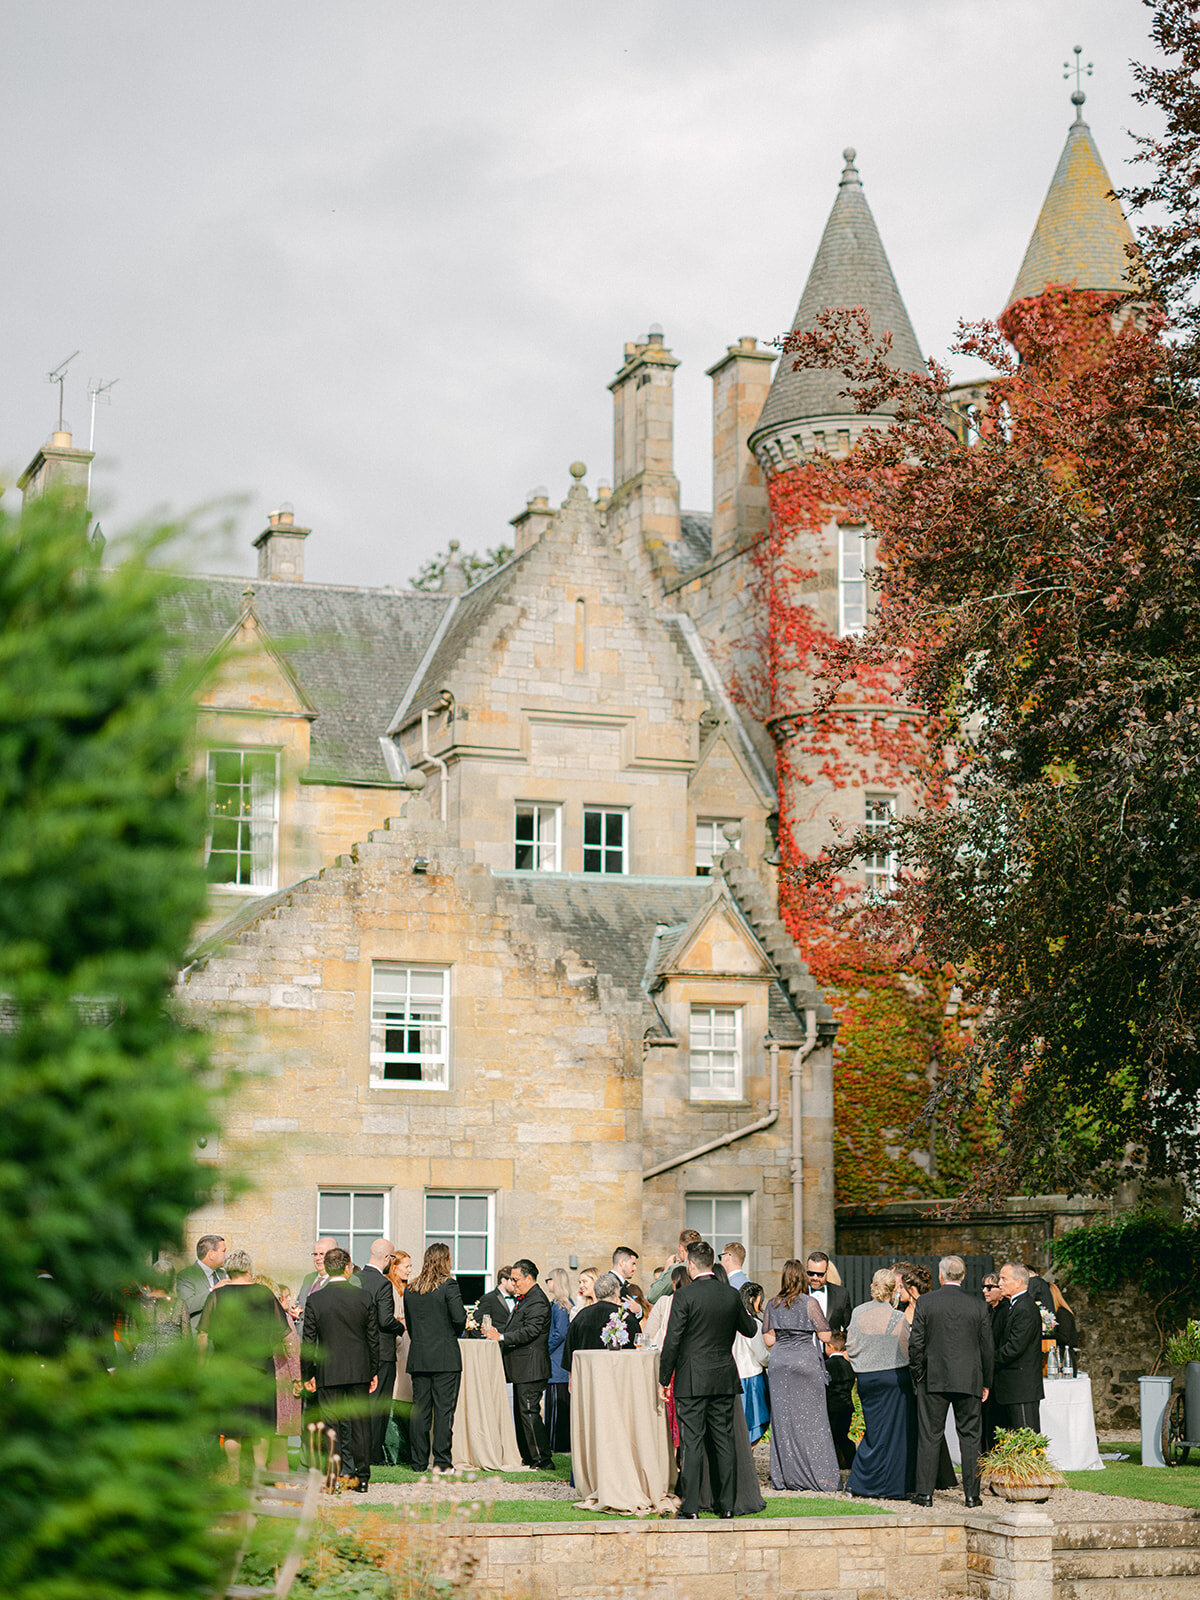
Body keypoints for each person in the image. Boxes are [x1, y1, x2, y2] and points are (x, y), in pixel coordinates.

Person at [658, 1240, 757, 1519]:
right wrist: (746, 1307)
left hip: (691, 1379)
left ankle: (689, 1508)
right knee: (724, 1442)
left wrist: (663, 1379)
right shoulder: (730, 1294)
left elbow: (672, 1340)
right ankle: (726, 1506)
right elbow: (749, 1330)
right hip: (723, 1376)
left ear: (690, 1265)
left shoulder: (685, 1296)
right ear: (712, 1263)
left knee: (692, 1442)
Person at [907, 1254, 993, 1509]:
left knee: (929, 1435)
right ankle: (971, 1495)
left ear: (942, 1275)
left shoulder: (926, 1302)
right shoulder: (978, 1305)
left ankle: (924, 1494)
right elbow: (987, 1348)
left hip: (933, 1379)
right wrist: (986, 1381)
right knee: (970, 1437)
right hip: (969, 1380)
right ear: (963, 1276)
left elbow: (916, 1344)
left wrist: (918, 1374)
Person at [198, 1248, 291, 1465]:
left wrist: (201, 1364)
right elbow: (283, 1332)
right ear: (248, 1269)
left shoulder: (217, 1295)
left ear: (228, 1270)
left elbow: (203, 1333)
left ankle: (234, 1472)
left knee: (232, 1429)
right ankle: (259, 1473)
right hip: (259, 1367)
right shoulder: (264, 1293)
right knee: (259, 1427)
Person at [301, 1246, 379, 1490]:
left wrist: (308, 1373)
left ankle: (334, 1476)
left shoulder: (315, 1299)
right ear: (347, 1268)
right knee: (360, 1425)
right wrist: (373, 1370)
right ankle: (362, 1478)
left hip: (328, 1370)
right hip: (358, 1370)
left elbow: (308, 1340)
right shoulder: (364, 1297)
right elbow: (372, 1338)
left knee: (332, 1426)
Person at [762, 1259, 840, 1494]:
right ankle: (820, 1476)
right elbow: (825, 1337)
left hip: (779, 1364)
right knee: (813, 1420)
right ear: (803, 1279)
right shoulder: (810, 1303)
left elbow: (769, 1340)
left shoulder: (772, 1304)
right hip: (804, 1362)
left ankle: (787, 1477)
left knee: (784, 1422)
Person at [845, 1267, 911, 1500]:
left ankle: (861, 1482)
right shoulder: (898, 1317)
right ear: (893, 1290)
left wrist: (863, 1362)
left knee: (873, 1432)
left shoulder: (858, 1312)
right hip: (892, 1379)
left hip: (866, 1379)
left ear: (873, 1286)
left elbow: (850, 1345)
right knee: (893, 1434)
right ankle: (889, 1486)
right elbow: (907, 1351)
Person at [403, 1242, 466, 1473]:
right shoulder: (449, 1285)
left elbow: (410, 1324)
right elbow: (459, 1319)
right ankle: (441, 1462)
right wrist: (452, 1331)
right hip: (445, 1356)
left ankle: (418, 1462)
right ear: (445, 1260)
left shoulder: (410, 1289)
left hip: (419, 1356)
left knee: (420, 1411)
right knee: (443, 1411)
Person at [484, 1257, 553, 1469]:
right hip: (521, 1368)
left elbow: (531, 1331)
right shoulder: (526, 1298)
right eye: (512, 1280)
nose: (513, 1284)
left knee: (530, 1412)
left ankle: (543, 1459)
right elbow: (517, 1327)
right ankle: (529, 1457)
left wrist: (502, 1338)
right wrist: (498, 1333)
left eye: (516, 1280)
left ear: (529, 1278)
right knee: (522, 1413)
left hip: (531, 1367)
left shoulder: (537, 1300)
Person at [360, 1238, 405, 1465]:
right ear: (387, 1258)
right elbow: (385, 1319)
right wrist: (401, 1326)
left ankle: (360, 1450)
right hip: (382, 1353)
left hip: (360, 1351)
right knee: (379, 1406)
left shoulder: (355, 1279)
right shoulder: (383, 1283)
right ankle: (374, 1455)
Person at [993, 1262, 1044, 1429]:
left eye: (1003, 1279)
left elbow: (1014, 1347)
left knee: (1026, 1439)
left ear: (1018, 1282)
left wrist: (988, 1360)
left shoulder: (1025, 1308)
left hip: (1021, 1388)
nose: (999, 1283)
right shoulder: (1016, 1305)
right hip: (1015, 1388)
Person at [563, 1271, 641, 1363]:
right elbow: (638, 1351)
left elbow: (569, 1355)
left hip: (588, 1372)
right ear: (616, 1293)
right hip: (619, 1372)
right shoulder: (626, 1317)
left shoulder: (581, 1316)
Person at [131, 1258, 191, 1363]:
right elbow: (187, 1340)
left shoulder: (139, 1303)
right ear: (172, 1280)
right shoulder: (179, 1304)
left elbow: (134, 1336)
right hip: (171, 1359)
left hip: (144, 1358)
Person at [386, 1250, 414, 1464]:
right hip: (399, 1344)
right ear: (395, 1267)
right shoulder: (391, 1289)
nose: (410, 1270)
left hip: (407, 1344)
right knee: (398, 1392)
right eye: (406, 1266)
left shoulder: (407, 1288)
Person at [734, 1281, 769, 1444]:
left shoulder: (732, 1320)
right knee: (755, 1423)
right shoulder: (754, 1324)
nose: (761, 1304)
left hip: (736, 1376)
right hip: (752, 1378)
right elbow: (762, 1356)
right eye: (760, 1300)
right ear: (752, 1300)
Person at [544, 1267, 573, 1453]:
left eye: (549, 1279)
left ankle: (556, 1445)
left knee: (556, 1409)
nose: (547, 1283)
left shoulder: (560, 1306)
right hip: (558, 1364)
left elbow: (559, 1333)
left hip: (557, 1365)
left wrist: (544, 1349)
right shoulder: (559, 1304)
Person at [176, 1235, 228, 1330]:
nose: (226, 1255)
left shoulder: (223, 1274)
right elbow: (186, 1306)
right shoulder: (186, 1276)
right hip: (199, 1338)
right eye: (223, 1251)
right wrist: (213, 1290)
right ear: (211, 1254)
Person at [981, 1273, 1007, 1454]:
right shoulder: (986, 1311)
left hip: (1000, 1376)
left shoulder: (1006, 1312)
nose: (985, 1290)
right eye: (984, 1287)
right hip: (986, 1374)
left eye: (990, 1287)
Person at [825, 1331, 856, 1474]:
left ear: (830, 1346)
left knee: (831, 1436)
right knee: (843, 1435)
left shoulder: (826, 1365)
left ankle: (833, 1462)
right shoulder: (849, 1365)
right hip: (846, 1406)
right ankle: (850, 1461)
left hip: (831, 1407)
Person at [647, 1230, 702, 1304]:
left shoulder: (675, 1269)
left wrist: (666, 1269)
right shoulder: (704, 1266)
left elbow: (652, 1297)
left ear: (681, 1247)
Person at [805, 1251, 851, 1333]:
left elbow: (848, 1328)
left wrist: (837, 1344)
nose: (815, 1278)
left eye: (820, 1274)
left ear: (827, 1271)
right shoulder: (798, 1293)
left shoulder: (841, 1295)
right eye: (811, 1273)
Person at [293, 1237, 338, 1315]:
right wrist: (293, 1313)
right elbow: (300, 1304)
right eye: (315, 1254)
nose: (317, 1258)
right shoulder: (308, 1278)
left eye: (322, 1254)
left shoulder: (338, 1280)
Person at [476, 1267, 516, 1332]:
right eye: (513, 1280)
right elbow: (477, 1325)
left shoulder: (518, 1300)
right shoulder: (488, 1298)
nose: (516, 1284)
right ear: (503, 1281)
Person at [1050, 1282, 1079, 1370]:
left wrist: (1047, 1333)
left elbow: (1064, 1337)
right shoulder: (1057, 1313)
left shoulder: (1062, 1313)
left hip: (1065, 1360)